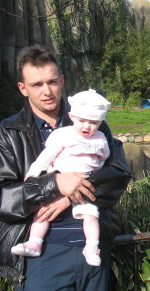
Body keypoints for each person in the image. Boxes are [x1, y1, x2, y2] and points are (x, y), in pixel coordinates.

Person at [0, 45, 132, 291]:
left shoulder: (91, 123)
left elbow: (118, 173)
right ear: (23, 89)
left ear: (61, 81)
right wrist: (55, 184)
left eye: (52, 81)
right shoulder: (8, 133)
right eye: (37, 84)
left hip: (92, 248)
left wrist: (69, 197)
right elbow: (4, 198)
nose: (47, 91)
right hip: (41, 254)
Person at [11, 89, 112, 267]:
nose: (87, 127)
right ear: (72, 117)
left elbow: (105, 159)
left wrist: (95, 175)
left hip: (85, 186)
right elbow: (47, 155)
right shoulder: (63, 135)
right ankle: (35, 242)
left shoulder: (100, 139)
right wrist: (35, 171)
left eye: (93, 123)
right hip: (57, 181)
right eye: (82, 121)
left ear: (100, 122)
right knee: (43, 213)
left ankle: (92, 247)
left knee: (91, 216)